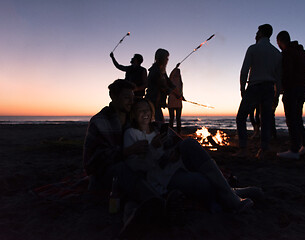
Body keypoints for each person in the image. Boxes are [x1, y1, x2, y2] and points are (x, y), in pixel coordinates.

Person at [83, 79, 255, 237]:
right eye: (126, 97)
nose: (131, 101)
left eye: (132, 97)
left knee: (188, 145)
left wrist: (170, 146)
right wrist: (126, 151)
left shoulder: (133, 116)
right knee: (126, 171)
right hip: (122, 175)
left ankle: (229, 194)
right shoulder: (100, 122)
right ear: (113, 96)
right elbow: (91, 163)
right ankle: (160, 206)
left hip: (155, 169)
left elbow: (154, 134)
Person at [124, 98, 219, 212]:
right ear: (133, 115)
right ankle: (228, 197)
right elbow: (136, 166)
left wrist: (175, 153)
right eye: (140, 110)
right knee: (204, 182)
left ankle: (229, 195)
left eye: (147, 110)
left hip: (177, 165)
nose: (145, 113)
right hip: (163, 177)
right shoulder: (131, 134)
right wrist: (153, 148)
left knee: (189, 143)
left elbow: (177, 144)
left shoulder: (158, 129)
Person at [234, 24, 282, 160]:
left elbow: (244, 71)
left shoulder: (253, 48)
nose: (255, 34)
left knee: (241, 116)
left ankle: (243, 148)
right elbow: (279, 77)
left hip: (254, 86)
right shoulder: (276, 53)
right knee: (266, 119)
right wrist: (277, 94)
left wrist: (242, 88)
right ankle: (263, 150)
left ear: (260, 33)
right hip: (269, 88)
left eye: (257, 32)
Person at [276, 31, 305, 159]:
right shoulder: (303, 53)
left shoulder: (287, 53)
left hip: (292, 89)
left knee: (291, 119)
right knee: (297, 117)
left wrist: (281, 88)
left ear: (280, 41)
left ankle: (294, 150)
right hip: (303, 88)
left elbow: (287, 72)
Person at [146, 48, 178, 123]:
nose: (167, 60)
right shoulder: (155, 70)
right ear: (161, 58)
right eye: (166, 58)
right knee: (159, 123)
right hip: (153, 101)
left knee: (158, 122)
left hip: (157, 102)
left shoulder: (162, 70)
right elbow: (163, 87)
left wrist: (178, 94)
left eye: (168, 58)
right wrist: (176, 94)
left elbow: (169, 83)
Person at [168, 63, 184, 133]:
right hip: (171, 100)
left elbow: (181, 92)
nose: (178, 73)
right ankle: (170, 132)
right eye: (176, 72)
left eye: (178, 72)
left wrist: (182, 97)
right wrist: (175, 67)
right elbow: (171, 75)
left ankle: (179, 132)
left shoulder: (180, 83)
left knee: (178, 118)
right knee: (171, 118)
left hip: (178, 102)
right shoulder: (171, 80)